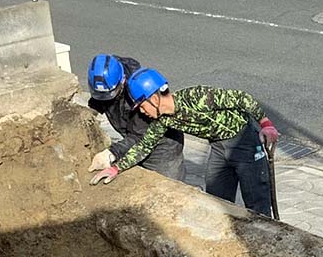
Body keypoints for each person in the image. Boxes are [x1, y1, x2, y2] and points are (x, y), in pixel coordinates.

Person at [91, 68, 280, 218]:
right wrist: (116, 168)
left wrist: (266, 124)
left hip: (244, 141)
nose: (141, 112)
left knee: (257, 204)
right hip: (218, 147)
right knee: (217, 199)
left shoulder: (196, 98)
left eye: (141, 105)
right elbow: (144, 146)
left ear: (154, 98)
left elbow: (242, 98)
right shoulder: (163, 120)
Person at [85, 54, 186, 182]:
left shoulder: (140, 96)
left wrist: (112, 153)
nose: (107, 100)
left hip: (163, 146)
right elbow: (100, 99)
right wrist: (88, 112)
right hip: (136, 139)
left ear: (122, 81)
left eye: (110, 96)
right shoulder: (110, 74)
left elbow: (139, 136)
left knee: (167, 186)